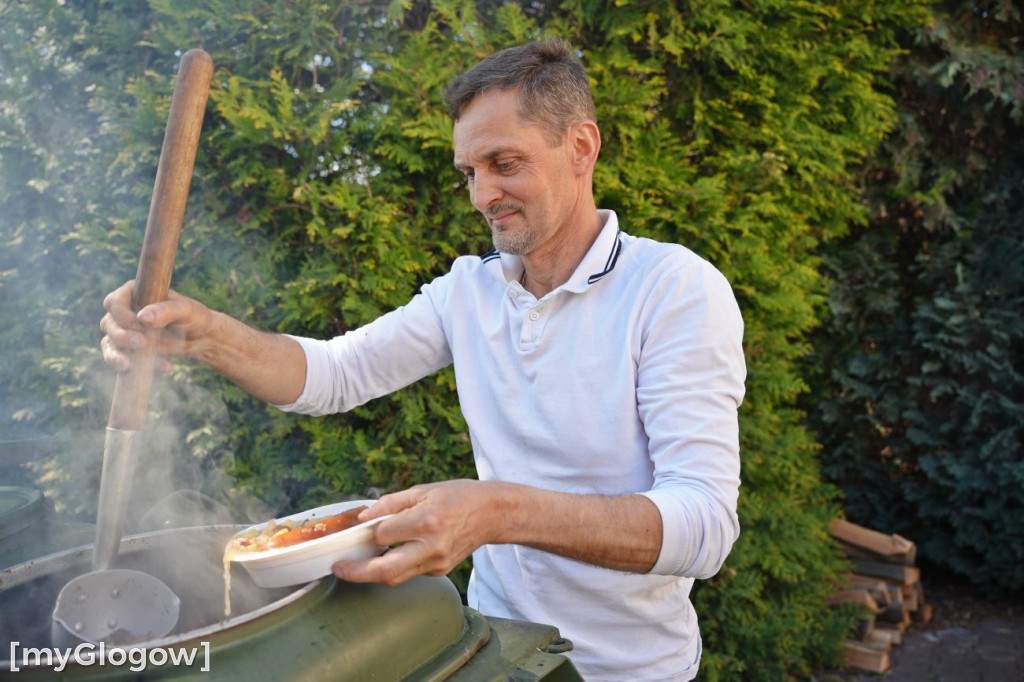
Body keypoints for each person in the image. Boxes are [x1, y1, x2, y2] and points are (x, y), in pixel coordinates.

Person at [101, 39, 745, 681]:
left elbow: (705, 527)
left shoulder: (673, 289)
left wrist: (495, 511)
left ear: (581, 146)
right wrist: (203, 333)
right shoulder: (469, 290)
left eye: (505, 163)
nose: (482, 194)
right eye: (470, 172)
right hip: (495, 650)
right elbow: (333, 374)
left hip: (630, 670)